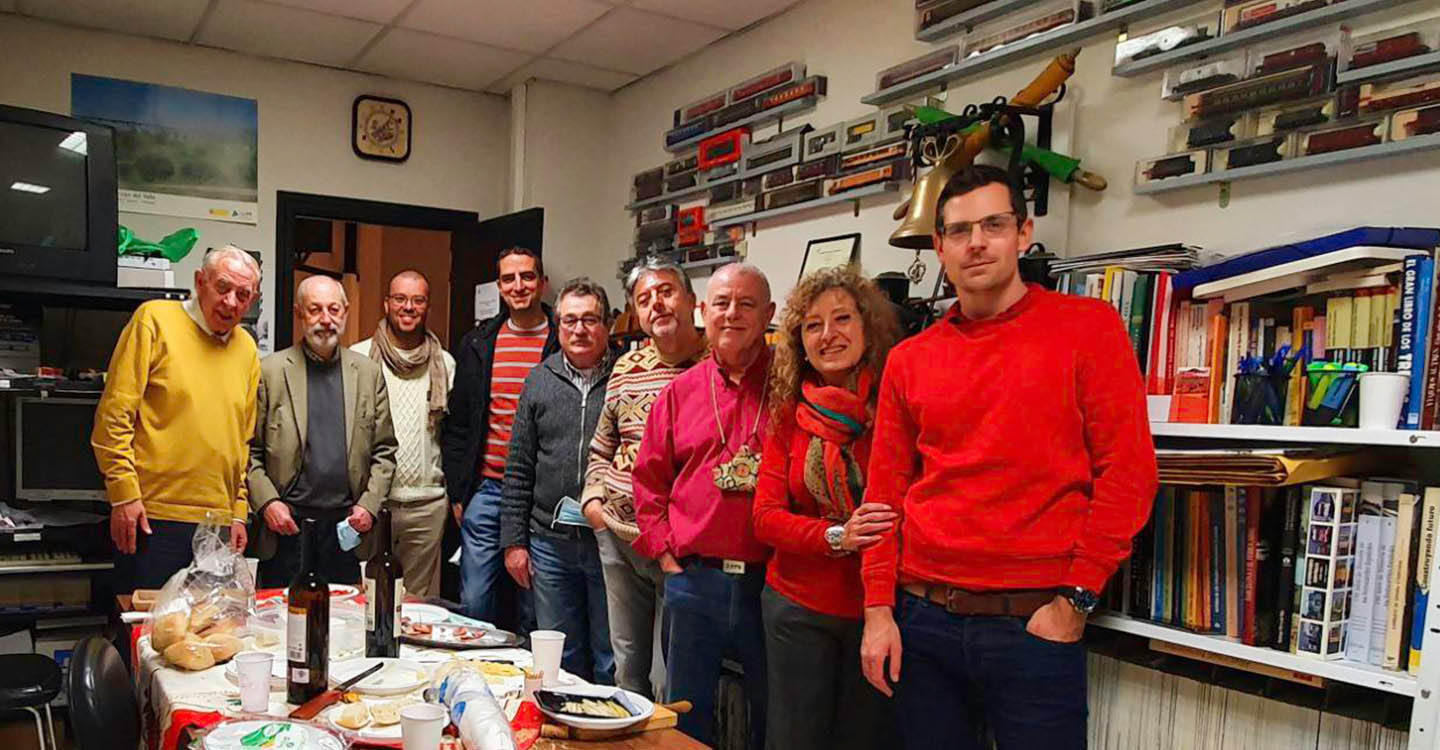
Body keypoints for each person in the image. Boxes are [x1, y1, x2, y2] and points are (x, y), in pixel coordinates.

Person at [858, 165, 1157, 749]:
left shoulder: (1088, 330)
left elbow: (1129, 474)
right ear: (938, 246)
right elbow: (884, 493)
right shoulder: (910, 359)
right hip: (922, 621)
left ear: (1023, 233)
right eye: (959, 230)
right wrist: (877, 610)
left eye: (993, 225)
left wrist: (1076, 600)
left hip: (1035, 623)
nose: (976, 242)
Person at [752, 266, 901, 750]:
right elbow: (766, 517)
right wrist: (838, 536)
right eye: (813, 325)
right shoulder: (788, 415)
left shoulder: (896, 408)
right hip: (797, 609)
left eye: (842, 319)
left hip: (879, 611)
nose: (828, 335)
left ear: (868, 327)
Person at [632, 262, 775, 749]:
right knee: (684, 713)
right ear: (702, 312)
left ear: (769, 314)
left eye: (746, 304)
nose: (732, 314)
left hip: (770, 584)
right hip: (694, 580)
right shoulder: (679, 392)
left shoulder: (791, 388)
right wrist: (666, 554)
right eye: (722, 303)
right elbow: (648, 481)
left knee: (771, 714)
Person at [92, 246, 261, 591]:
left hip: (219, 525)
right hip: (152, 517)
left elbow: (242, 440)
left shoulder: (247, 347)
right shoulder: (154, 320)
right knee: (147, 635)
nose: (231, 302)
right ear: (200, 282)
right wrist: (124, 495)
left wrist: (238, 512)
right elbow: (114, 416)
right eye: (223, 288)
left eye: (243, 295)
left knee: (208, 634)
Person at [581, 258, 706, 698]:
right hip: (618, 536)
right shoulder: (627, 366)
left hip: (682, 548)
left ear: (692, 300)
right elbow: (602, 446)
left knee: (672, 673)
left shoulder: (717, 367)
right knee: (627, 668)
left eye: (667, 292)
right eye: (644, 299)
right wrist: (594, 505)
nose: (657, 304)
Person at [501, 278, 617, 684]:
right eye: (570, 321)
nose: (580, 330)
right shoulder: (539, 380)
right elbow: (518, 467)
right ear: (558, 326)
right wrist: (514, 543)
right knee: (560, 659)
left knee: (611, 657)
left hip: (611, 545)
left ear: (608, 326)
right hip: (549, 544)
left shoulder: (627, 378)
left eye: (590, 319)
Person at [248, 276, 398, 586]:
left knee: (345, 625)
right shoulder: (271, 372)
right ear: (299, 313)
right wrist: (267, 503)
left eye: (333, 309)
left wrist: (368, 507)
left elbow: (385, 452)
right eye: (315, 310)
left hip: (347, 528)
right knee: (281, 625)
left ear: (345, 311)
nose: (326, 320)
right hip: (286, 527)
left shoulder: (368, 373)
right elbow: (250, 451)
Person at [443, 247, 559, 623]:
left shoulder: (563, 340)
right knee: (475, 601)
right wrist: (460, 491)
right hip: (488, 490)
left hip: (542, 498)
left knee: (535, 607)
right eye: (509, 278)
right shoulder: (478, 344)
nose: (518, 285)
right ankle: (474, 678)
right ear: (499, 286)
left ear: (543, 283)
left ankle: (527, 679)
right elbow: (459, 424)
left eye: (527, 276)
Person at [351, 270, 456, 597]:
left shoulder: (447, 365)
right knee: (366, 599)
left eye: (418, 300)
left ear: (427, 307)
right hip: (371, 504)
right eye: (400, 298)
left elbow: (453, 437)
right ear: (386, 304)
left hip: (426, 506)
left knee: (415, 604)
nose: (408, 307)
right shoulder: (357, 357)